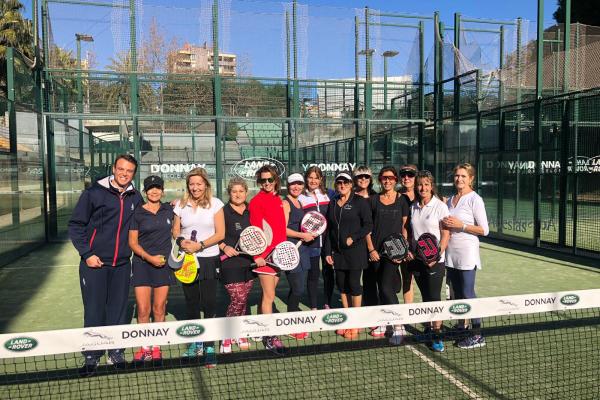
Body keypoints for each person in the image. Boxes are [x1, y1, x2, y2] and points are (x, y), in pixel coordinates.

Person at [68, 154, 144, 376]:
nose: (124, 174)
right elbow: (76, 225)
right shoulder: (93, 193)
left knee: (118, 311)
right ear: (114, 168)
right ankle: (92, 356)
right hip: (94, 264)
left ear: (133, 174)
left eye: (129, 171)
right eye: (121, 169)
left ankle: (116, 353)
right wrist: (87, 253)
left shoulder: (135, 197)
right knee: (94, 310)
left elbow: (145, 219)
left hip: (121, 265)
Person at [173, 167, 225, 368]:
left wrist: (200, 246)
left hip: (209, 260)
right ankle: (196, 343)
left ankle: (209, 345)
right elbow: (175, 229)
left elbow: (220, 233)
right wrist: (181, 241)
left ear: (206, 185)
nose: (195, 187)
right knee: (192, 303)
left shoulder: (216, 204)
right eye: (192, 184)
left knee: (209, 303)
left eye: (199, 184)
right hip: (187, 260)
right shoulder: (180, 204)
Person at [442, 163, 489, 349]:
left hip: (467, 252)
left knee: (468, 293)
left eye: (463, 176)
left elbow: (484, 230)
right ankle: (462, 327)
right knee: (456, 292)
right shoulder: (451, 199)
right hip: (451, 252)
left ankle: (478, 334)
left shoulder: (475, 199)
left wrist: (461, 226)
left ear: (471, 179)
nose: (459, 179)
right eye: (457, 176)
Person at [128, 175, 174, 363]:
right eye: (150, 188)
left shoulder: (170, 210)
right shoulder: (137, 213)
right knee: (143, 309)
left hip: (163, 266)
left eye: (158, 188)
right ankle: (144, 347)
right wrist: (149, 258)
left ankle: (156, 347)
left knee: (159, 308)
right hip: (141, 265)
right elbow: (132, 242)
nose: (154, 191)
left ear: (162, 190)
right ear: (145, 191)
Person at [324, 172, 373, 340]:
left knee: (353, 284)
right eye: (339, 182)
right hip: (338, 253)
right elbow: (330, 229)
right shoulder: (333, 203)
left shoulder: (360, 202)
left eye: (345, 182)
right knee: (342, 285)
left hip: (356, 252)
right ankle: (346, 321)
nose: (342, 185)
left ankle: (355, 322)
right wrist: (328, 251)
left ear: (351, 184)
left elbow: (368, 225)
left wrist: (354, 238)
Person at [365, 166, 410, 344]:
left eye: (391, 178)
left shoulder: (402, 200)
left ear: (396, 180)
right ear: (379, 180)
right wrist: (371, 250)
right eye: (384, 177)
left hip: (394, 253)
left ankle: (398, 326)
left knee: (386, 287)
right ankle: (385, 321)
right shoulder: (373, 200)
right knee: (378, 287)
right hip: (376, 253)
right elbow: (368, 229)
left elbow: (405, 227)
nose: (387, 180)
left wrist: (402, 249)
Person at [408, 171, 450, 352]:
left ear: (431, 186)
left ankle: (437, 335)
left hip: (435, 262)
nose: (423, 188)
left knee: (434, 298)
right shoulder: (413, 206)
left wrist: (436, 256)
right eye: (420, 184)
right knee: (425, 297)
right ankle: (428, 329)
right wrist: (410, 251)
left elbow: (446, 234)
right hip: (417, 260)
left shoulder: (440, 206)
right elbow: (411, 233)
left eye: (426, 184)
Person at [248, 165, 287, 354]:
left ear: (275, 181)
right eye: (263, 180)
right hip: (265, 258)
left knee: (267, 296)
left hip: (279, 256)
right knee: (269, 296)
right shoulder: (256, 202)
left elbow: (280, 229)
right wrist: (258, 256)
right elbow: (255, 231)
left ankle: (263, 330)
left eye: (270, 180)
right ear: (259, 182)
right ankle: (270, 336)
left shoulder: (278, 199)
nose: (267, 183)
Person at [218, 178, 255, 353]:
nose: (238, 194)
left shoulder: (251, 211)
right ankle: (227, 334)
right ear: (229, 193)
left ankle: (239, 333)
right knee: (238, 299)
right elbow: (214, 235)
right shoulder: (222, 212)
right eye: (234, 191)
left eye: (241, 191)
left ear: (246, 192)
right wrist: (225, 247)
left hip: (249, 263)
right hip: (229, 264)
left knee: (243, 301)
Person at [298, 166, 334, 309]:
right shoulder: (301, 197)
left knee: (328, 274)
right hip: (310, 244)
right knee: (313, 276)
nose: (313, 180)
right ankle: (313, 306)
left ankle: (327, 303)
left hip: (327, 243)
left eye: (316, 178)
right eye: (310, 177)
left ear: (321, 180)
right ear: (306, 178)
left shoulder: (329, 194)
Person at [282, 173, 314, 339]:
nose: (297, 187)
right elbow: (283, 229)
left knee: (299, 288)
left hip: (303, 250)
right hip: (290, 250)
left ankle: (292, 319)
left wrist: (308, 234)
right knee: (297, 288)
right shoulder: (285, 203)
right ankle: (291, 324)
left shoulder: (299, 202)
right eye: (293, 184)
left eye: (299, 184)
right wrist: (303, 236)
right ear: (288, 185)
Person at [398, 164, 419, 305]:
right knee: (407, 279)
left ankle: (432, 321)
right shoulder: (397, 196)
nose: (406, 178)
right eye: (403, 175)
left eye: (410, 175)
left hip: (422, 244)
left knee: (425, 280)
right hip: (404, 244)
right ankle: (408, 313)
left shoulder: (424, 193)